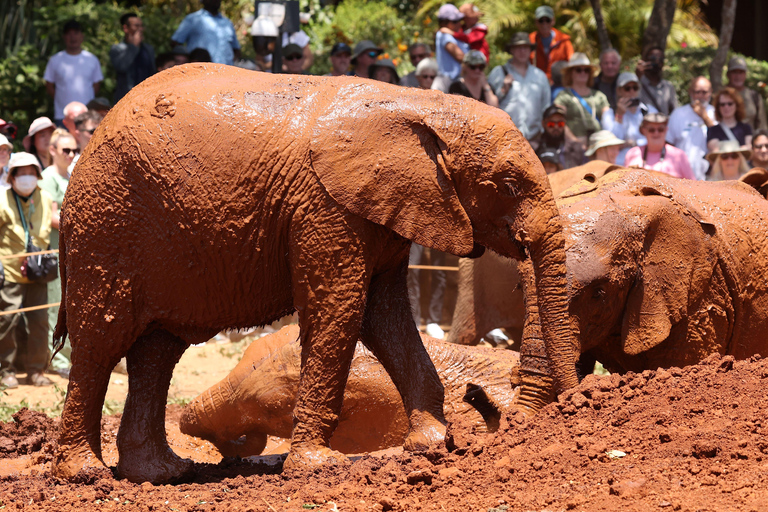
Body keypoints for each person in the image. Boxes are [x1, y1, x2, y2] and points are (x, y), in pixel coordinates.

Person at [0, 152, 54, 388]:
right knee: (7, 320)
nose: (27, 177)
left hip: (38, 272)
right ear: (12, 177)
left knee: (40, 321)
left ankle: (36, 370)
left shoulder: (45, 198)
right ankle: (6, 371)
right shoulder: (2, 200)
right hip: (10, 272)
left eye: (31, 173)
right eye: (21, 173)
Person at [40, 130, 78, 379]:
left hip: (71, 251)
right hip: (54, 250)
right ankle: (57, 359)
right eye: (66, 150)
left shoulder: (70, 175)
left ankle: (72, 355)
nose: (71, 154)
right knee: (56, 305)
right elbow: (52, 216)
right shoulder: (49, 177)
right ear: (52, 150)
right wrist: (80, 223)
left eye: (74, 150)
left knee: (72, 304)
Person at [489, 32, 550, 141]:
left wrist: (541, 135)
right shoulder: (498, 72)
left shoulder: (540, 75)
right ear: (511, 50)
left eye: (525, 47)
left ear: (530, 50)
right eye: (518, 47)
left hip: (534, 139)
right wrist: (503, 90)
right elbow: (488, 107)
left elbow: (546, 108)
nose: (522, 51)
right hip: (505, 138)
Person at [43, 20, 103, 125]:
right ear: (64, 37)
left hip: (87, 115)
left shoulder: (91, 59)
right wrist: (61, 100)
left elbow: (96, 85)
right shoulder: (55, 60)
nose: (72, 37)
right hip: (62, 116)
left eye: (76, 33)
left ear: (82, 36)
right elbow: (49, 85)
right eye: (69, 33)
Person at [553, 53, 609, 148]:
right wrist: (575, 142)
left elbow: (608, 122)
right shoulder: (563, 96)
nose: (583, 73)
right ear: (570, 73)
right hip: (573, 148)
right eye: (578, 70)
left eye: (586, 70)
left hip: (598, 145)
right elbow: (557, 121)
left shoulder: (599, 95)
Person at [601, 72, 657, 165]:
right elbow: (610, 145)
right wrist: (619, 116)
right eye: (627, 88)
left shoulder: (650, 111)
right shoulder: (609, 114)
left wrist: (633, 143)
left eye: (635, 88)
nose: (632, 92)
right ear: (619, 91)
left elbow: (656, 139)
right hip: (620, 165)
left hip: (647, 164)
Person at [666, 76, 715, 180]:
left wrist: (705, 118)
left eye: (704, 92)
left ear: (710, 92)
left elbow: (721, 139)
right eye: (697, 92)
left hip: (710, 175)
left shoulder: (717, 113)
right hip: (681, 174)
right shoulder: (678, 114)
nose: (700, 96)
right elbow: (668, 144)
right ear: (690, 92)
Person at [625, 112, 694, 179]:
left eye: (660, 129)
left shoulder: (679, 155)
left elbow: (694, 185)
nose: (656, 133)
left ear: (666, 130)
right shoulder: (632, 153)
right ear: (644, 131)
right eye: (651, 130)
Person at [171, 0, 241, 66]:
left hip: (225, 73)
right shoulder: (192, 19)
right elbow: (175, 42)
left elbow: (236, 49)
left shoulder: (227, 23)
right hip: (201, 72)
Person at [110, 13, 156, 103]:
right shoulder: (117, 49)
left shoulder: (148, 49)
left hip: (147, 97)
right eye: (136, 26)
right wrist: (134, 46)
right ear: (125, 28)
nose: (141, 29)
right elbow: (121, 67)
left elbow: (153, 72)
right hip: (126, 99)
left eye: (141, 26)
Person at [407, 245, 447, 340]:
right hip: (415, 231)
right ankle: (413, 321)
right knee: (411, 271)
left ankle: (433, 321)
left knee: (439, 273)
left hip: (440, 230)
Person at [528, 5, 573, 82]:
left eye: (547, 20)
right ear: (536, 22)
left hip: (559, 83)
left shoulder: (564, 41)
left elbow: (572, 64)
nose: (544, 24)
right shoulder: (530, 40)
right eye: (541, 20)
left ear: (553, 21)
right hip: (536, 82)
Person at [532, 104, 584, 170]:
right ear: (543, 124)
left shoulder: (576, 148)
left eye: (560, 124)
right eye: (551, 124)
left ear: (565, 124)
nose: (556, 127)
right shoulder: (534, 148)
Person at [726, 56, 767, 132]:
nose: (738, 76)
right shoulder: (721, 95)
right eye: (734, 72)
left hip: (750, 141)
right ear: (728, 74)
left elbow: (762, 125)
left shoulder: (754, 96)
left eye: (741, 72)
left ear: (745, 74)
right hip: (726, 141)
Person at [707, 87, 753, 152]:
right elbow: (715, 152)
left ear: (737, 105)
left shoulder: (745, 128)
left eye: (730, 104)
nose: (726, 107)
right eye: (722, 104)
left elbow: (749, 150)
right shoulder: (713, 130)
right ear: (718, 107)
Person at [636, 46, 676, 115]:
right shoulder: (635, 85)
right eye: (653, 58)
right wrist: (636, 77)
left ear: (662, 63)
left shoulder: (668, 86)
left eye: (660, 59)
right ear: (645, 61)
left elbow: (674, 112)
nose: (657, 61)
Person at [435, 4, 468, 82]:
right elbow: (460, 56)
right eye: (455, 21)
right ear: (443, 23)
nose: (459, 23)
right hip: (449, 81)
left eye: (460, 20)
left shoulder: (454, 34)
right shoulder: (444, 35)